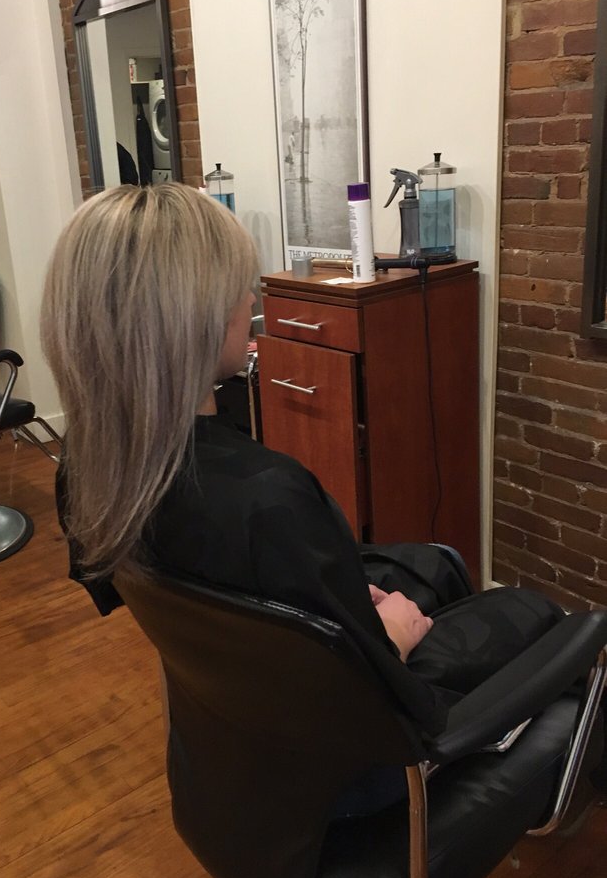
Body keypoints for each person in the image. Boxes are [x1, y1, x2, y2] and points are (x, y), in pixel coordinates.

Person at [41, 182, 604, 813]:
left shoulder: (89, 465)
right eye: (237, 288)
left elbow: (234, 603)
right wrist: (390, 638)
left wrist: (336, 601)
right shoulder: (267, 497)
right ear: (191, 319)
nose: (249, 300)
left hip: (235, 736)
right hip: (346, 770)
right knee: (535, 612)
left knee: (436, 563)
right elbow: (362, 691)